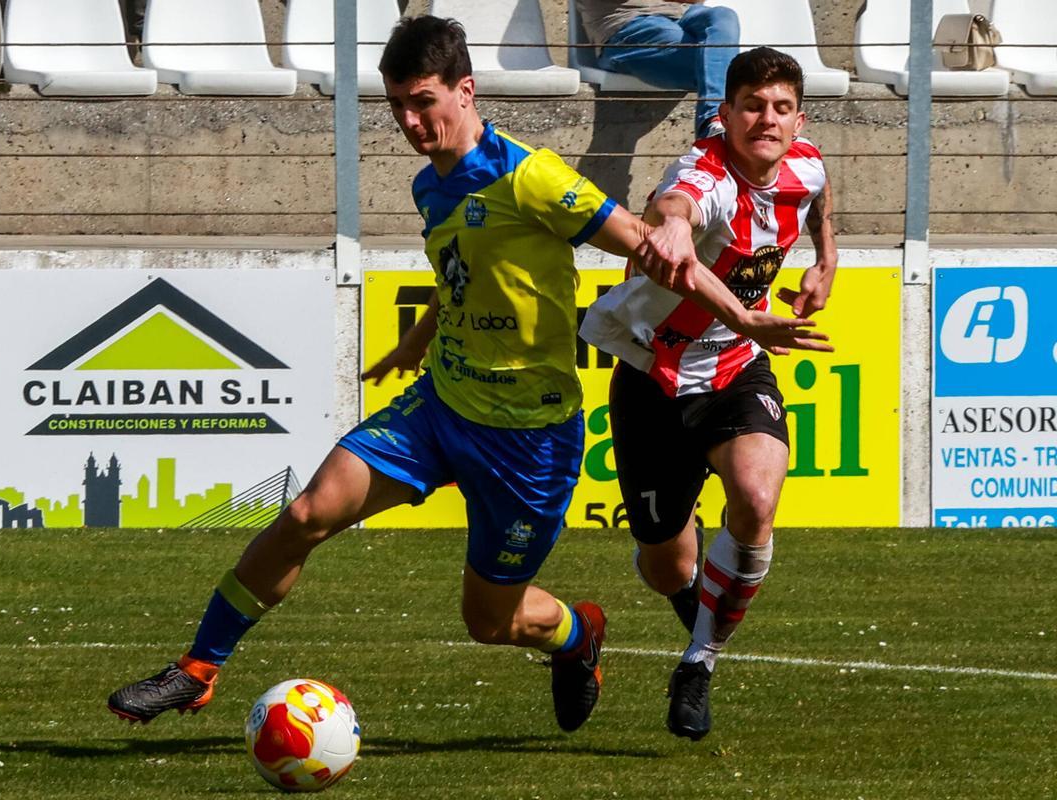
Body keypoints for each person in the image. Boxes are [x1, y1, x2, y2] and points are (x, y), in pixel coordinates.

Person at [106, 18, 824, 736]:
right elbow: (461, 279)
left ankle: (579, 635)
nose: (413, 123)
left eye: (424, 103)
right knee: (305, 514)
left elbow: (655, 249)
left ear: (466, 90)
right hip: (441, 405)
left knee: (489, 621)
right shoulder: (431, 187)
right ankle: (197, 670)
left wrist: (744, 316)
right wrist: (418, 340)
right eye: (397, 108)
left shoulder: (531, 175)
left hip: (529, 438)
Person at [580, 46, 837, 742]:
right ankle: (688, 594)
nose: (767, 119)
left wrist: (826, 260)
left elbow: (819, 195)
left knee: (757, 499)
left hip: (735, 370)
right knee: (669, 566)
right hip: (654, 375)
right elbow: (679, 208)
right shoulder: (706, 171)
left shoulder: (806, 161)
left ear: (797, 118)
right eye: (751, 106)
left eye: (781, 108)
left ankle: (698, 661)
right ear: (724, 114)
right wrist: (670, 223)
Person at [576, 1, 739, 139]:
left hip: (680, 15)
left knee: (723, 16)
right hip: (626, 23)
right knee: (724, 63)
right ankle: (715, 128)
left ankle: (715, 121)